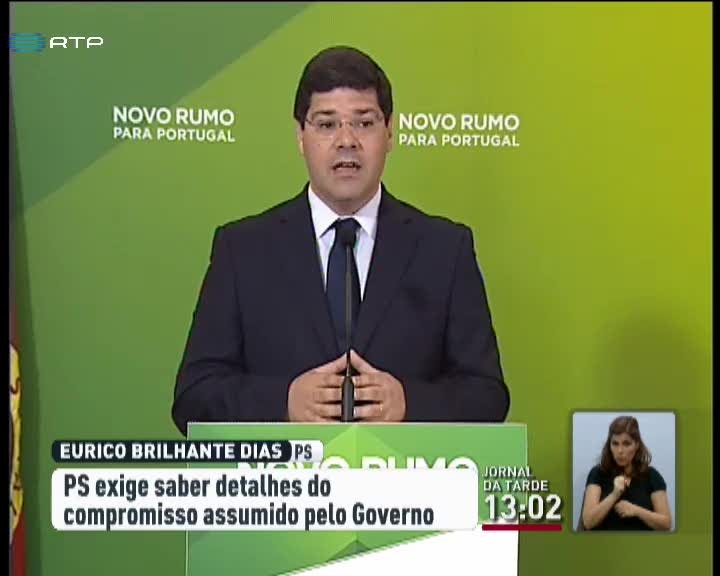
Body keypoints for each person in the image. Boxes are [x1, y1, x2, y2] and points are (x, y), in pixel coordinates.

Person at [172, 46, 509, 435]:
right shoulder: (243, 250)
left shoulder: (444, 250)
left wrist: (410, 403)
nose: (346, 140)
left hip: (404, 474)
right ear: (300, 137)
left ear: (390, 132)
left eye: (364, 123)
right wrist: (283, 402)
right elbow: (193, 397)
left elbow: (488, 395)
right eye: (326, 124)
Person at [580, 416, 672, 531]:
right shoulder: (598, 473)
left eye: (626, 444)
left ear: (636, 445)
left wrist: (636, 510)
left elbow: (666, 524)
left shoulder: (652, 475)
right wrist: (614, 494)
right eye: (615, 443)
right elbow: (588, 522)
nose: (620, 451)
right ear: (609, 445)